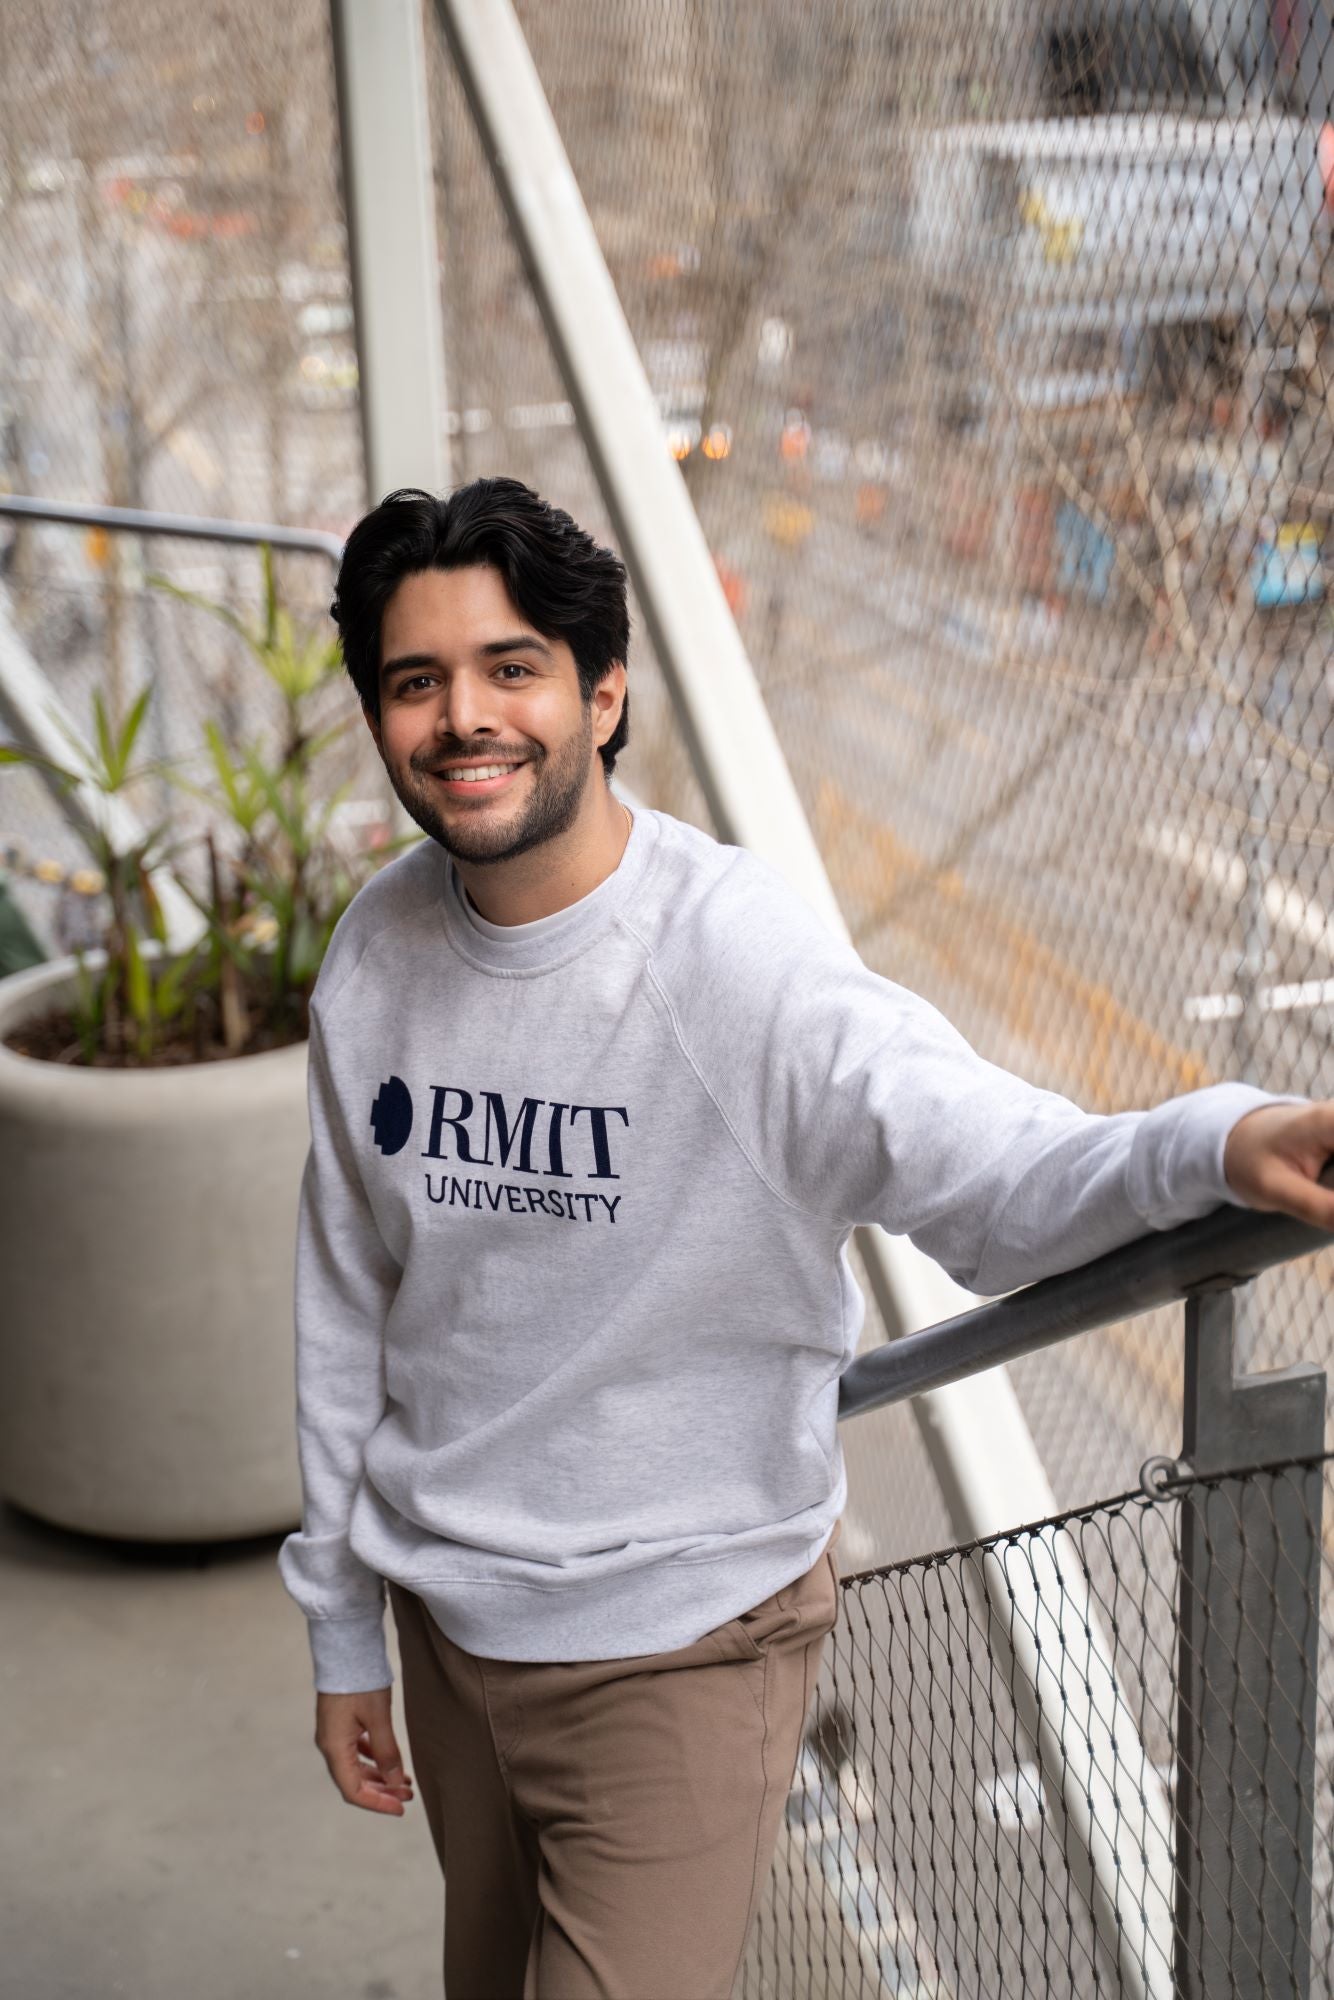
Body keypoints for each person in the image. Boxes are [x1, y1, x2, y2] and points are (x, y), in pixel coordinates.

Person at [278, 476, 1334, 2000]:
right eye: (415, 681)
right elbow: (344, 1304)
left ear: (603, 691)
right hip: (449, 1629)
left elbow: (991, 1175)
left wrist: (1218, 1142)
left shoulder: (727, 959)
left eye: (511, 667)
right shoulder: (378, 948)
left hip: (677, 1646)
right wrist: (343, 1630)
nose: (463, 718)